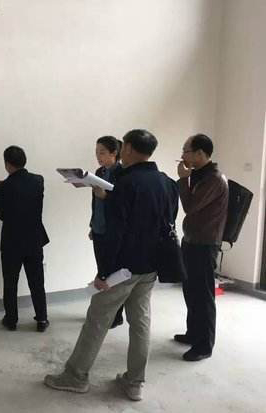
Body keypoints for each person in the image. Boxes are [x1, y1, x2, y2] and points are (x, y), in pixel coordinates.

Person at [44, 129, 175, 402]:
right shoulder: (166, 182)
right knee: (140, 323)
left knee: (97, 320)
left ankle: (75, 376)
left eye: (122, 147)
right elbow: (166, 223)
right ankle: (134, 382)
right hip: (150, 266)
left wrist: (103, 273)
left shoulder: (126, 184)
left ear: (128, 149)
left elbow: (116, 233)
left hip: (123, 269)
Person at [175, 134, 228, 362]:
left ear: (199, 153)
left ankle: (204, 345)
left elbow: (190, 206)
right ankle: (193, 333)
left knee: (203, 295)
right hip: (192, 240)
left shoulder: (214, 179)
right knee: (190, 290)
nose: (182, 155)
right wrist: (187, 178)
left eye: (186, 151)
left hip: (205, 244)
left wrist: (182, 180)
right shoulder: (200, 174)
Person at [0, 145, 50, 332]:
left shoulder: (4, 187)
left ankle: (11, 320)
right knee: (37, 282)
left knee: (10, 283)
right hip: (34, 239)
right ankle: (42, 319)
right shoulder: (38, 180)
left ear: (7, 164)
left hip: (12, 242)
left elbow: (1, 214)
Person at [88, 136, 124, 328]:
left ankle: (116, 316)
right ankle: (107, 312)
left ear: (114, 153)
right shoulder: (99, 172)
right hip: (99, 228)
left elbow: (122, 205)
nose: (98, 156)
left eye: (102, 152)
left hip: (113, 231)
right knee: (102, 270)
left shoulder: (122, 173)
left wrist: (107, 197)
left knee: (113, 274)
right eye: (96, 152)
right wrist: (92, 225)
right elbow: (95, 202)